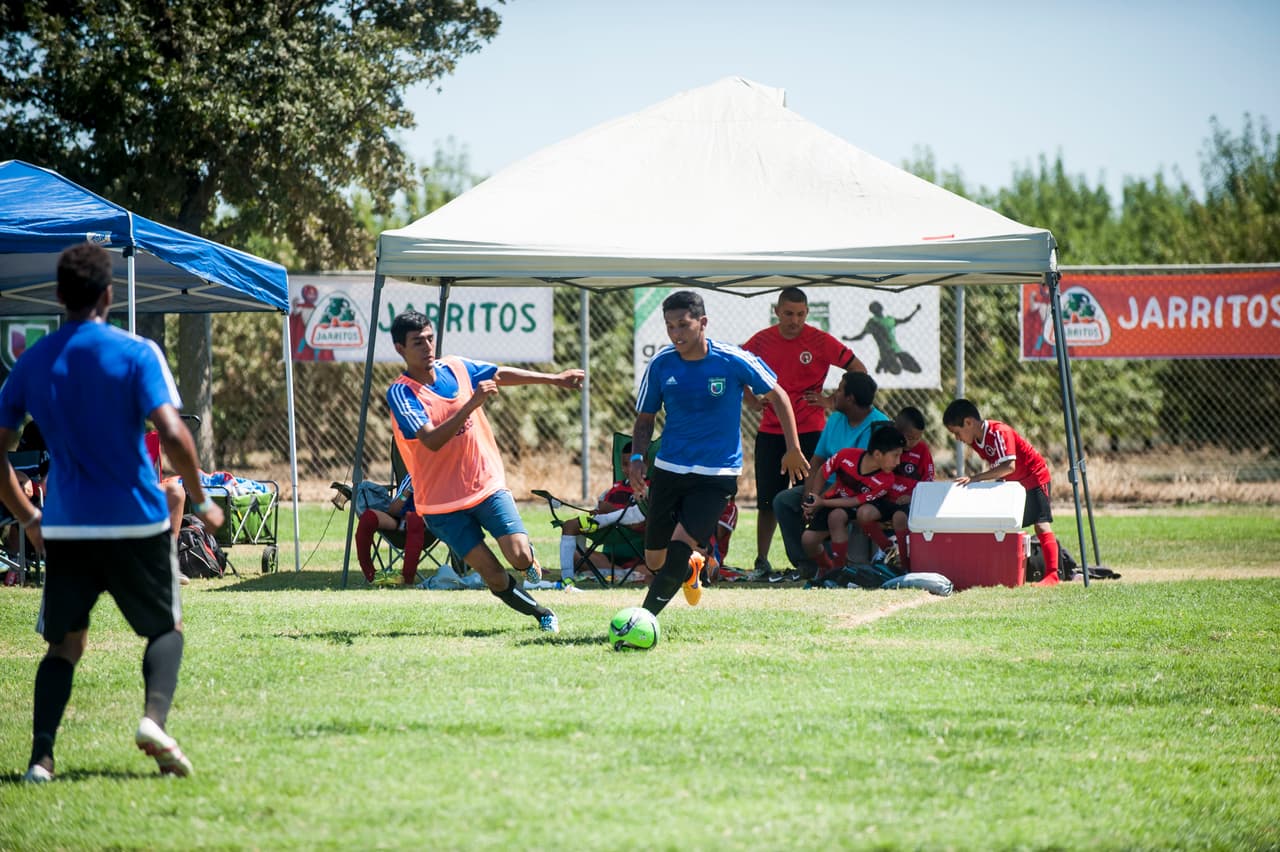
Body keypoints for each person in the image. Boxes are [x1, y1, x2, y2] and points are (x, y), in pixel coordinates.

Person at [0, 242, 223, 784]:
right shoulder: (138, 352)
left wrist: (29, 517)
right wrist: (201, 498)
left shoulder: (31, 361)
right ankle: (153, 722)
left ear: (59, 296)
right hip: (136, 521)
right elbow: (174, 434)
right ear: (108, 295)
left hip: (67, 526)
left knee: (64, 644)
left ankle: (41, 760)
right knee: (165, 629)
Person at [386, 310, 584, 631]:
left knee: (519, 556)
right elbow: (431, 440)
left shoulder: (455, 367)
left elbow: (498, 374)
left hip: (484, 483)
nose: (428, 347)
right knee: (493, 575)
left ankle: (528, 558)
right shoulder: (402, 392)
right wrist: (471, 404)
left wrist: (554, 379)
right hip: (440, 504)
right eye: (417, 342)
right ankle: (542, 613)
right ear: (400, 349)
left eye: (430, 339)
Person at [629, 290, 808, 616]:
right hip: (670, 469)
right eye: (669, 326)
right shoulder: (661, 364)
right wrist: (637, 458)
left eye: (683, 325)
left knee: (679, 546)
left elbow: (778, 395)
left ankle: (643, 619)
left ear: (703, 322)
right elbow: (645, 419)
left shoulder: (732, 359)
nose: (676, 334)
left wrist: (793, 448)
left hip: (716, 474)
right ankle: (691, 568)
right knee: (655, 560)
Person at [743, 287, 865, 580]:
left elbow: (859, 370)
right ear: (777, 312)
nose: (794, 320)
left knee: (812, 497)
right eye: (788, 313)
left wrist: (831, 401)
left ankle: (813, 560)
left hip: (812, 433)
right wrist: (750, 400)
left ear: (807, 313)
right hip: (771, 432)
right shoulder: (761, 341)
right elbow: (734, 371)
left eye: (800, 314)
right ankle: (762, 560)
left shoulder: (819, 340)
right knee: (768, 501)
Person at [773, 371, 891, 580]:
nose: (834, 394)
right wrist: (809, 493)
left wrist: (820, 499)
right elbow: (817, 460)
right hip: (825, 484)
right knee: (784, 501)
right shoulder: (836, 419)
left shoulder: (878, 425)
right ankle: (806, 563)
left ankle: (834, 564)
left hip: (855, 491)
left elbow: (862, 476)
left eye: (839, 389)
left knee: (828, 510)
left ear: (850, 398)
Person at [942, 398, 1060, 586]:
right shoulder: (976, 441)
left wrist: (976, 478)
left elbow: (1009, 466)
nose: (957, 438)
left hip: (1034, 477)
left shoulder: (999, 432)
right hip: (1013, 484)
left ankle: (1053, 574)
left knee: (1041, 524)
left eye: (957, 432)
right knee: (1002, 525)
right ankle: (1004, 570)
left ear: (969, 422)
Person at [800, 424, 909, 582]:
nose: (898, 462)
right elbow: (823, 472)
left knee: (836, 516)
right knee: (808, 540)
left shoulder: (887, 480)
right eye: (895, 456)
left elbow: (854, 501)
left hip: (853, 506)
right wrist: (814, 498)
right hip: (834, 500)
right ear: (878, 454)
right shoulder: (846, 455)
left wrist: (821, 502)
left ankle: (839, 571)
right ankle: (826, 567)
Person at [354, 475, 426, 587]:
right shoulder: (411, 476)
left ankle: (407, 579)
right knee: (368, 518)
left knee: (414, 519)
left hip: (428, 522)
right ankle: (371, 575)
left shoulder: (442, 477)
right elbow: (393, 510)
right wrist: (408, 491)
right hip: (399, 520)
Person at [845, 301, 922, 375]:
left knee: (916, 369)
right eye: (874, 309)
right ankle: (884, 362)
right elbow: (861, 336)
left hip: (896, 349)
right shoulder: (873, 323)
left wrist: (916, 310)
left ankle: (883, 362)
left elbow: (905, 320)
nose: (876, 311)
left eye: (876, 308)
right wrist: (849, 339)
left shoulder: (889, 320)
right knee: (897, 370)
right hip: (886, 351)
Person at [887, 406, 935, 509]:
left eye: (917, 439)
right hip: (885, 498)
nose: (913, 443)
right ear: (897, 429)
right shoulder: (887, 445)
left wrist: (913, 496)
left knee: (899, 516)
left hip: (909, 501)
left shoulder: (922, 449)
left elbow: (928, 478)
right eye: (909, 438)